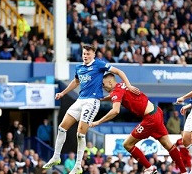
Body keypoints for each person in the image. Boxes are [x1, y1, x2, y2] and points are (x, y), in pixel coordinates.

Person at [43, 45, 139, 174]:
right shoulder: (79, 68)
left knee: (80, 133)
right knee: (61, 128)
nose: (85, 56)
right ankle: (56, 157)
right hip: (80, 100)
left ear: (93, 55)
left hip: (92, 102)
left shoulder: (99, 64)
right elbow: (76, 82)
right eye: (84, 54)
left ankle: (78, 165)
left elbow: (119, 72)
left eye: (88, 54)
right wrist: (63, 93)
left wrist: (128, 85)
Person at [90, 73, 188, 174]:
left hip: (150, 118)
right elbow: (113, 96)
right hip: (156, 111)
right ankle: (184, 172)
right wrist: (102, 99)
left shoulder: (116, 91)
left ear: (110, 82)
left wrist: (98, 122)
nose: (103, 87)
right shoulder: (122, 85)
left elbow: (115, 111)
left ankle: (150, 167)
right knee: (168, 145)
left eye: (103, 84)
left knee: (127, 144)